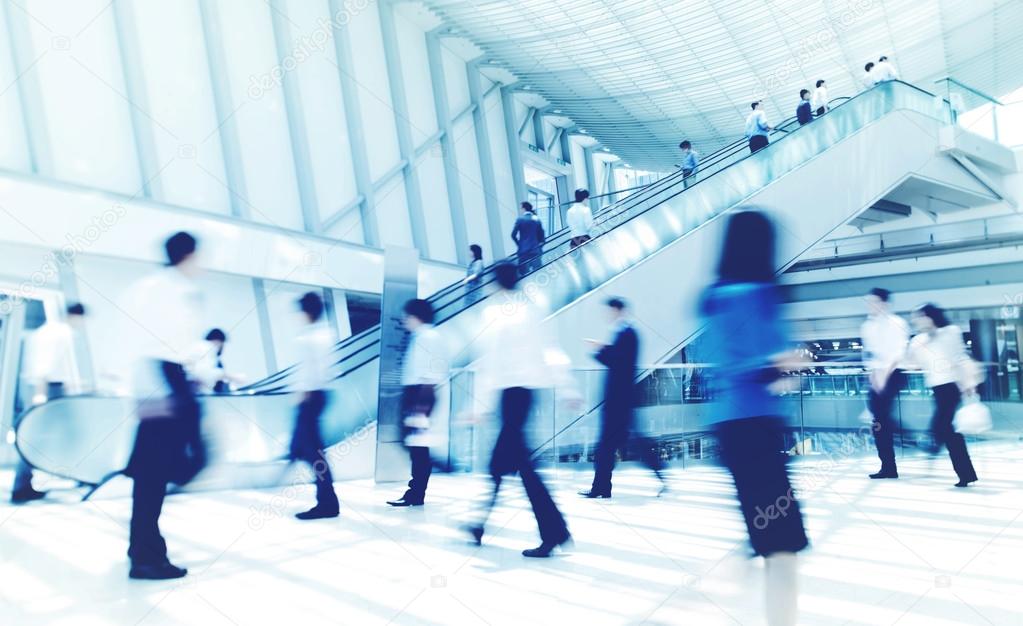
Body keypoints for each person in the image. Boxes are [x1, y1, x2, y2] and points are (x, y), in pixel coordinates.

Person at [700, 210, 807, 625]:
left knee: (768, 531)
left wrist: (778, 368)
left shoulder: (714, 297)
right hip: (756, 427)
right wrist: (788, 362)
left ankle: (741, 578)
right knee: (783, 544)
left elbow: (729, 364)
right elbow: (759, 367)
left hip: (730, 425)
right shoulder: (756, 294)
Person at [465, 261, 577, 558]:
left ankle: (554, 531)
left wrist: (479, 406)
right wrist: (567, 387)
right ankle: (480, 524)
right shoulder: (532, 308)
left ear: (494, 283)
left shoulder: (495, 315)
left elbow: (489, 366)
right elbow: (550, 350)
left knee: (521, 467)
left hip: (509, 396)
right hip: (526, 395)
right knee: (505, 465)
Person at [123, 232, 208, 580]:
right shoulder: (177, 291)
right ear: (188, 256)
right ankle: (145, 556)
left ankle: (144, 549)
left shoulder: (148, 287)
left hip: (153, 386)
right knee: (157, 477)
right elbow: (177, 345)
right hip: (167, 384)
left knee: (149, 480)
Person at [579, 297, 667, 499]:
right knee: (610, 445)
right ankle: (601, 487)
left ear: (617, 310)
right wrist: (604, 349)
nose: (606, 315)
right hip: (620, 399)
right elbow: (618, 358)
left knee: (617, 444)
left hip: (619, 399)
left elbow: (618, 362)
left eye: (608, 311)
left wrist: (599, 350)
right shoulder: (625, 333)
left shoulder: (628, 333)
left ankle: (603, 487)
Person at [11, 302, 87, 504]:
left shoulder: (41, 332)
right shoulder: (63, 333)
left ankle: (23, 485)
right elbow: (46, 367)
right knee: (67, 435)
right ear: (76, 316)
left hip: (40, 388)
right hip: (50, 389)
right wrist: (41, 395)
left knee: (35, 436)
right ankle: (76, 476)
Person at [905, 304, 979, 488]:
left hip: (952, 386)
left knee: (943, 426)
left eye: (918, 317)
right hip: (937, 388)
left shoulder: (950, 332)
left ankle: (932, 446)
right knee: (950, 433)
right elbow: (912, 364)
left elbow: (959, 358)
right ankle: (965, 474)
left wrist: (968, 383)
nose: (915, 321)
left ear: (929, 316)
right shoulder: (918, 340)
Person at [387, 299, 449, 507]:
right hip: (416, 394)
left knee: (417, 445)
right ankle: (416, 492)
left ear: (416, 316)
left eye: (407, 315)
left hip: (420, 395)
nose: (405, 320)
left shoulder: (428, 337)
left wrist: (421, 408)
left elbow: (431, 374)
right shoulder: (421, 337)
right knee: (415, 445)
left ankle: (418, 490)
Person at [289, 292, 341, 519]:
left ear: (306, 312)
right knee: (311, 451)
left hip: (311, 396)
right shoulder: (325, 334)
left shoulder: (310, 338)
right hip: (320, 395)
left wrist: (303, 397)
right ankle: (327, 501)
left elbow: (312, 372)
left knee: (314, 453)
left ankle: (327, 503)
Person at [860, 288, 909, 479]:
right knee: (879, 421)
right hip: (876, 375)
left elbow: (898, 353)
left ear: (885, 304)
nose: (870, 305)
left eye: (874, 301)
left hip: (894, 373)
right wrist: (873, 374)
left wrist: (883, 374)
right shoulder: (867, 326)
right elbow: (869, 353)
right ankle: (888, 466)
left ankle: (890, 465)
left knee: (880, 419)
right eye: (868, 301)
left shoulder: (897, 323)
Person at [511, 202, 545, 276]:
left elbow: (513, 235)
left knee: (523, 274)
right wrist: (539, 246)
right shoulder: (536, 219)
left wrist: (519, 245)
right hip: (535, 250)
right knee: (537, 273)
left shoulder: (520, 219)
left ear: (524, 208)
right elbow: (542, 237)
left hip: (523, 251)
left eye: (521, 208)